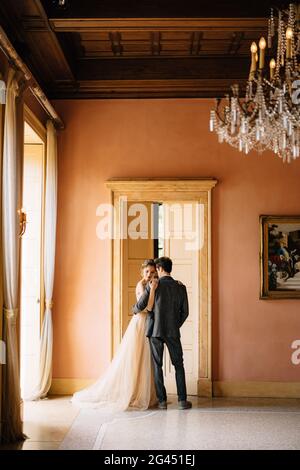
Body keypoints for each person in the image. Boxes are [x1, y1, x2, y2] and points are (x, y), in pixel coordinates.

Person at [71, 259, 158, 410]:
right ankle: (134, 393)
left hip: (149, 323)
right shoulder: (141, 285)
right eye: (147, 272)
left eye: (152, 272)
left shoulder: (153, 285)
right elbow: (148, 307)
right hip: (140, 323)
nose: (149, 275)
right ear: (142, 272)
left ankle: (146, 393)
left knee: (146, 358)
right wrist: (153, 290)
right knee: (136, 357)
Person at [133, 256, 192, 410]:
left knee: (157, 366)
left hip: (155, 331)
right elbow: (185, 312)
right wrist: (174, 325)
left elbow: (138, 306)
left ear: (159, 269)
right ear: (170, 269)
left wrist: (135, 310)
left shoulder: (153, 285)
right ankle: (182, 401)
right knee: (179, 365)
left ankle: (162, 401)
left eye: (155, 270)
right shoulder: (181, 287)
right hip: (173, 332)